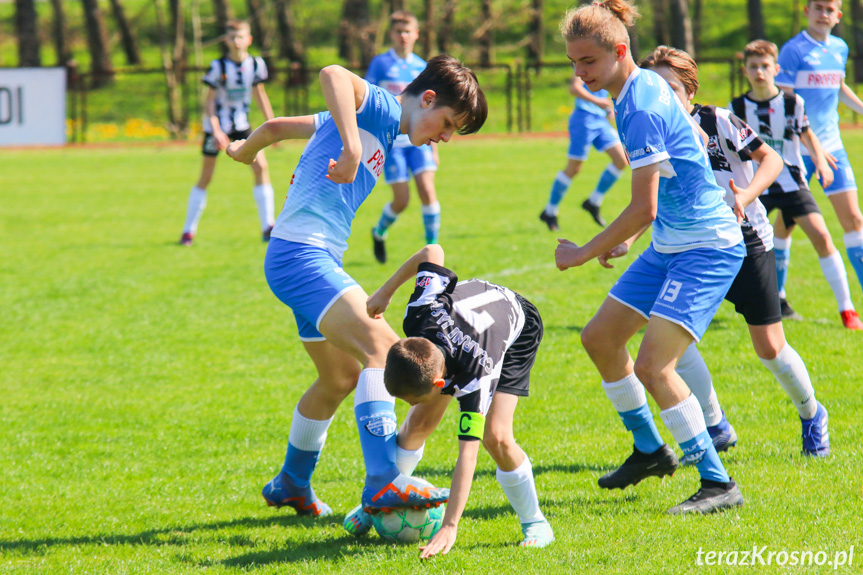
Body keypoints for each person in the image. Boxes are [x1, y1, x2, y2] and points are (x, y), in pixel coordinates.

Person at [224, 55, 487, 517]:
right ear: (427, 99)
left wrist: (247, 148)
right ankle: (384, 481)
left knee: (339, 377)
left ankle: (291, 483)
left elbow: (279, 126)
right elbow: (331, 73)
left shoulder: (379, 123)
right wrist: (347, 146)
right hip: (301, 257)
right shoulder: (382, 108)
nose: (445, 137)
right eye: (447, 123)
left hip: (308, 257)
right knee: (385, 351)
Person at [555, 0, 746, 514]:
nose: (580, 72)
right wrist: (631, 239)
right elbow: (668, 180)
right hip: (669, 244)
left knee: (654, 367)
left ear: (620, 51)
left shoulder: (638, 104)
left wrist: (582, 253)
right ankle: (649, 450)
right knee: (599, 338)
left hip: (706, 247)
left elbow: (644, 205)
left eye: (588, 62)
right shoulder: (638, 89)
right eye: (573, 63)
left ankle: (718, 482)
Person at [641, 45, 831, 458]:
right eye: (653, 86)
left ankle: (812, 413)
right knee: (671, 336)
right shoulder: (650, 133)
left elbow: (771, 160)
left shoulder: (716, 119)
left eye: (670, 87)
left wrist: (746, 192)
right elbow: (651, 197)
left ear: (689, 90)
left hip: (745, 241)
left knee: (770, 348)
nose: (662, 95)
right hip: (690, 248)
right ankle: (715, 424)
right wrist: (627, 237)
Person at [356, 244, 554, 556]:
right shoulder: (419, 313)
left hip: (517, 329)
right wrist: (386, 290)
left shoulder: (476, 377)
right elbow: (430, 251)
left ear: (440, 382)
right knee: (419, 422)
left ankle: (535, 521)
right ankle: (380, 501)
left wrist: (450, 526)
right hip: (461, 336)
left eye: (411, 398)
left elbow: (468, 456)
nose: (409, 404)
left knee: (497, 437)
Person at [732, 39, 861, 330]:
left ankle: (847, 309)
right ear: (745, 71)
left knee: (823, 238)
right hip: (755, 187)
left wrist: (820, 159)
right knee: (740, 246)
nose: (760, 72)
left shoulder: (792, 103)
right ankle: (761, 302)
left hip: (792, 184)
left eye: (765, 66)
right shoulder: (738, 106)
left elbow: (806, 133)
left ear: (776, 68)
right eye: (754, 67)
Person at [774, 0, 863, 328]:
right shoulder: (793, 51)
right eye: (818, 8)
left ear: (838, 16)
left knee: (854, 218)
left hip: (833, 148)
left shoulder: (840, 47)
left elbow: (838, 88)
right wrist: (810, 144)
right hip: (797, 152)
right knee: (786, 224)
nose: (824, 14)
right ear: (807, 12)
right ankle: (778, 297)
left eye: (830, 9)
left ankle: (853, 306)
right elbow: (784, 103)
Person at [179, 20, 276, 246]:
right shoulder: (217, 67)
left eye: (240, 36)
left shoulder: (256, 64)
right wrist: (215, 130)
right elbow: (209, 102)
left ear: (249, 39)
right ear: (226, 40)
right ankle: (187, 231)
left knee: (261, 167)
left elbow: (260, 93)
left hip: (241, 125)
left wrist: (273, 124)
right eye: (232, 37)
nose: (236, 41)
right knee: (206, 176)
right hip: (217, 128)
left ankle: (267, 227)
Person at [368, 11, 442, 263]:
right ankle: (378, 232)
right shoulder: (380, 64)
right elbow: (369, 100)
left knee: (427, 190)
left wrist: (434, 148)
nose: (403, 36)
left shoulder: (422, 67)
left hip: (419, 140)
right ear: (391, 34)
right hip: (392, 142)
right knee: (401, 200)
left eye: (407, 31)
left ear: (416, 34)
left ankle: (432, 250)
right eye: (398, 31)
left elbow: (430, 110)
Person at [539, 73, 627, 230]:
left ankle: (593, 202)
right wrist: (598, 102)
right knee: (574, 168)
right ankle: (550, 211)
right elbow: (574, 88)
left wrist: (608, 109)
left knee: (622, 160)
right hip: (583, 119)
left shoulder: (605, 62)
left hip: (600, 120)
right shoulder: (584, 61)